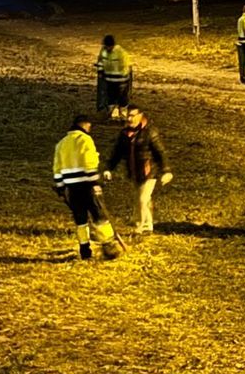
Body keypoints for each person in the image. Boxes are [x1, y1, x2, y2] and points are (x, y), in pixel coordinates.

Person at [53, 113, 123, 260]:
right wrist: (95, 183)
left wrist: (60, 187)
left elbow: (57, 168)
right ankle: (108, 246)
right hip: (86, 185)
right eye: (90, 125)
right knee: (99, 215)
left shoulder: (62, 143)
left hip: (71, 187)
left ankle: (85, 249)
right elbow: (90, 163)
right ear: (84, 125)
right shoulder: (85, 140)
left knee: (80, 219)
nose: (90, 128)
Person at [103, 105, 172, 234]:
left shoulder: (150, 132)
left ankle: (140, 226)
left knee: (142, 199)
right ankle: (149, 225)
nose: (129, 119)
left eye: (132, 116)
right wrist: (108, 168)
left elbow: (160, 152)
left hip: (149, 172)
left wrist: (166, 170)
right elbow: (117, 153)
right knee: (142, 200)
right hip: (134, 172)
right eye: (128, 115)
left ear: (140, 116)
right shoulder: (124, 134)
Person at [95, 34, 133, 120]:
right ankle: (113, 114)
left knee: (122, 97)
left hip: (120, 80)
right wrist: (100, 71)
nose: (108, 48)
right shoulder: (103, 51)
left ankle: (123, 114)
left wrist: (123, 79)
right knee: (111, 97)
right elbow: (100, 62)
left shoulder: (121, 52)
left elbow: (126, 66)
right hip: (109, 79)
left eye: (109, 46)